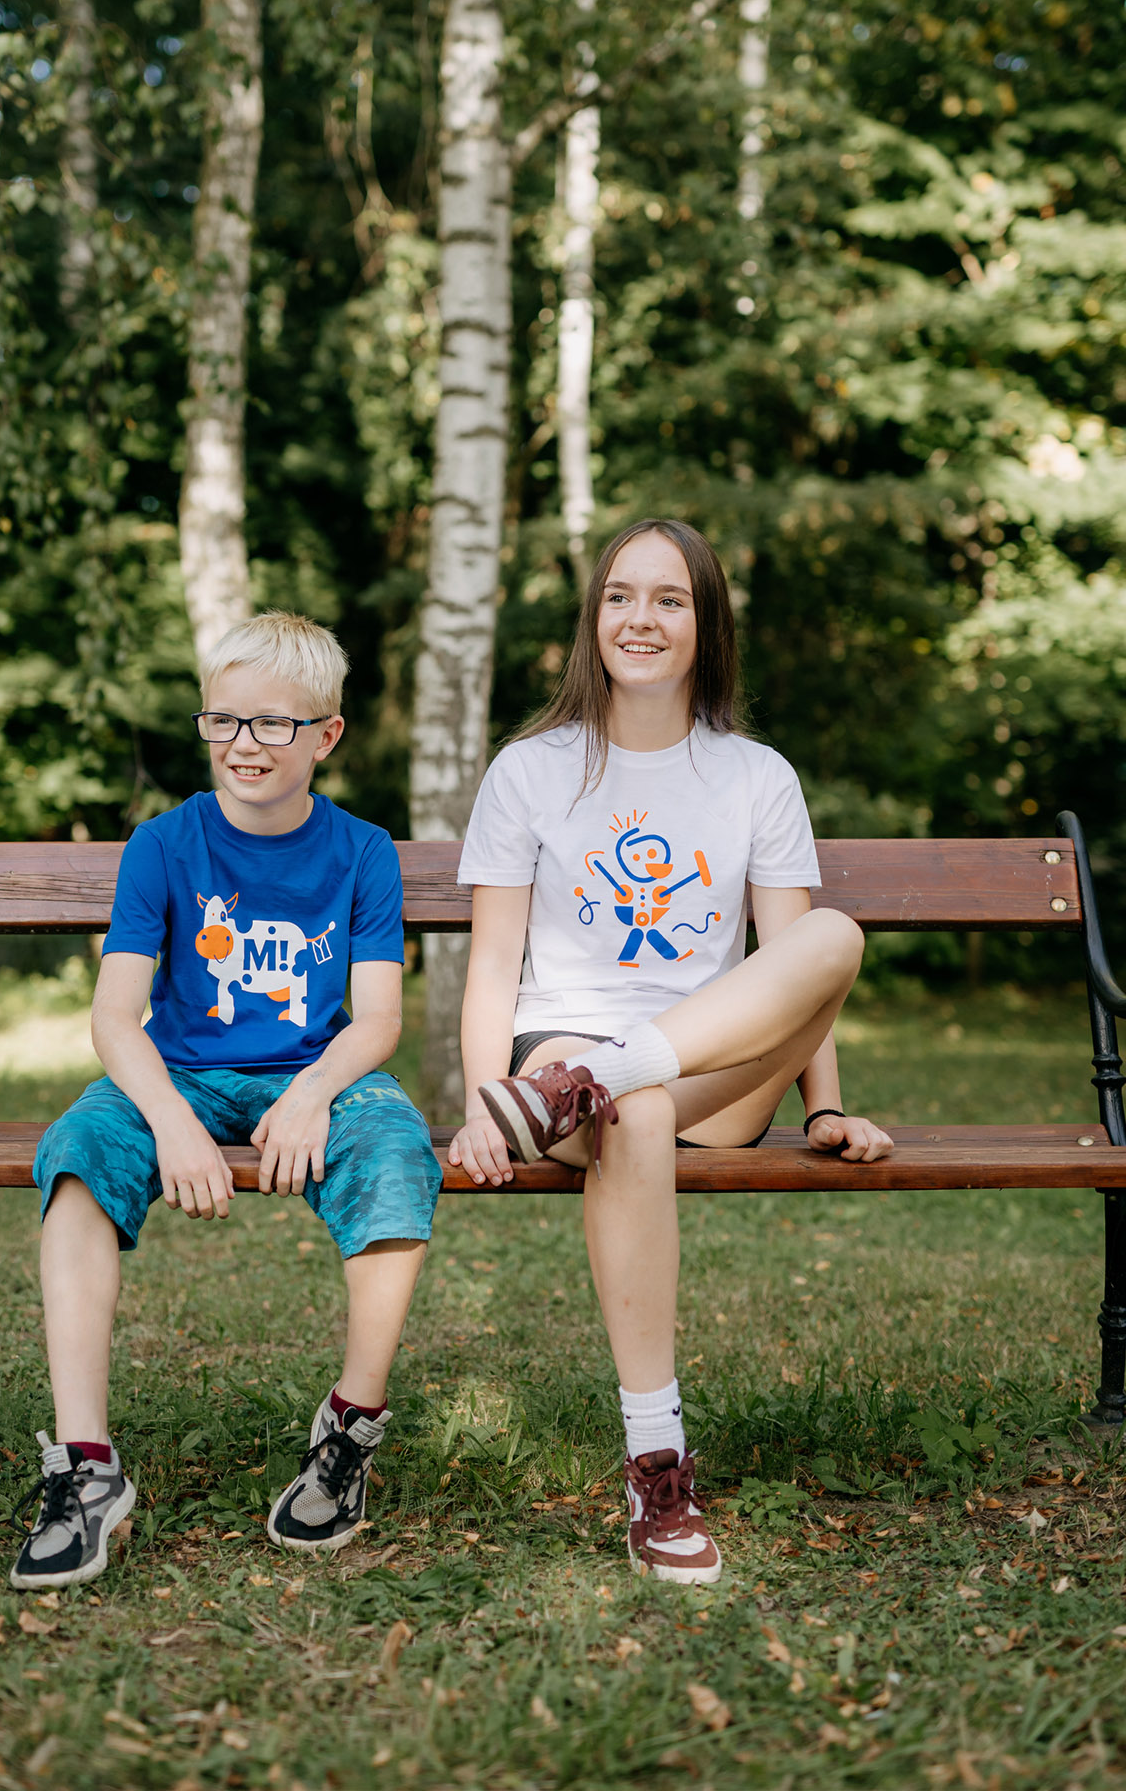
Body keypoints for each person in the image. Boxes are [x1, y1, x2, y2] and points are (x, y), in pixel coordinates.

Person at [448, 518, 892, 1585]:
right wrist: (482, 1101)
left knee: (834, 936)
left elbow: (795, 973)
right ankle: (658, 1467)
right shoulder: (530, 770)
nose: (639, 619)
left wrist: (825, 1109)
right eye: (619, 595)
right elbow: (493, 963)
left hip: (708, 1068)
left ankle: (602, 1077)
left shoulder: (755, 776)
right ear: (592, 617)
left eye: (668, 598)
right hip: (554, 1053)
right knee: (634, 1110)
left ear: (706, 624)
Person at [11, 612, 440, 1588]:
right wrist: (169, 1120)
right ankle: (86, 1469)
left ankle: (349, 1431)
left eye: (273, 723)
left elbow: (377, 1019)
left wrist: (315, 1091)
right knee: (78, 1153)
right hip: (181, 1074)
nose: (245, 744)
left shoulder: (362, 851)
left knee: (395, 1150)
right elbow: (116, 1016)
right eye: (224, 721)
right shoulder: (164, 845)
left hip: (316, 1069)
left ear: (325, 735)